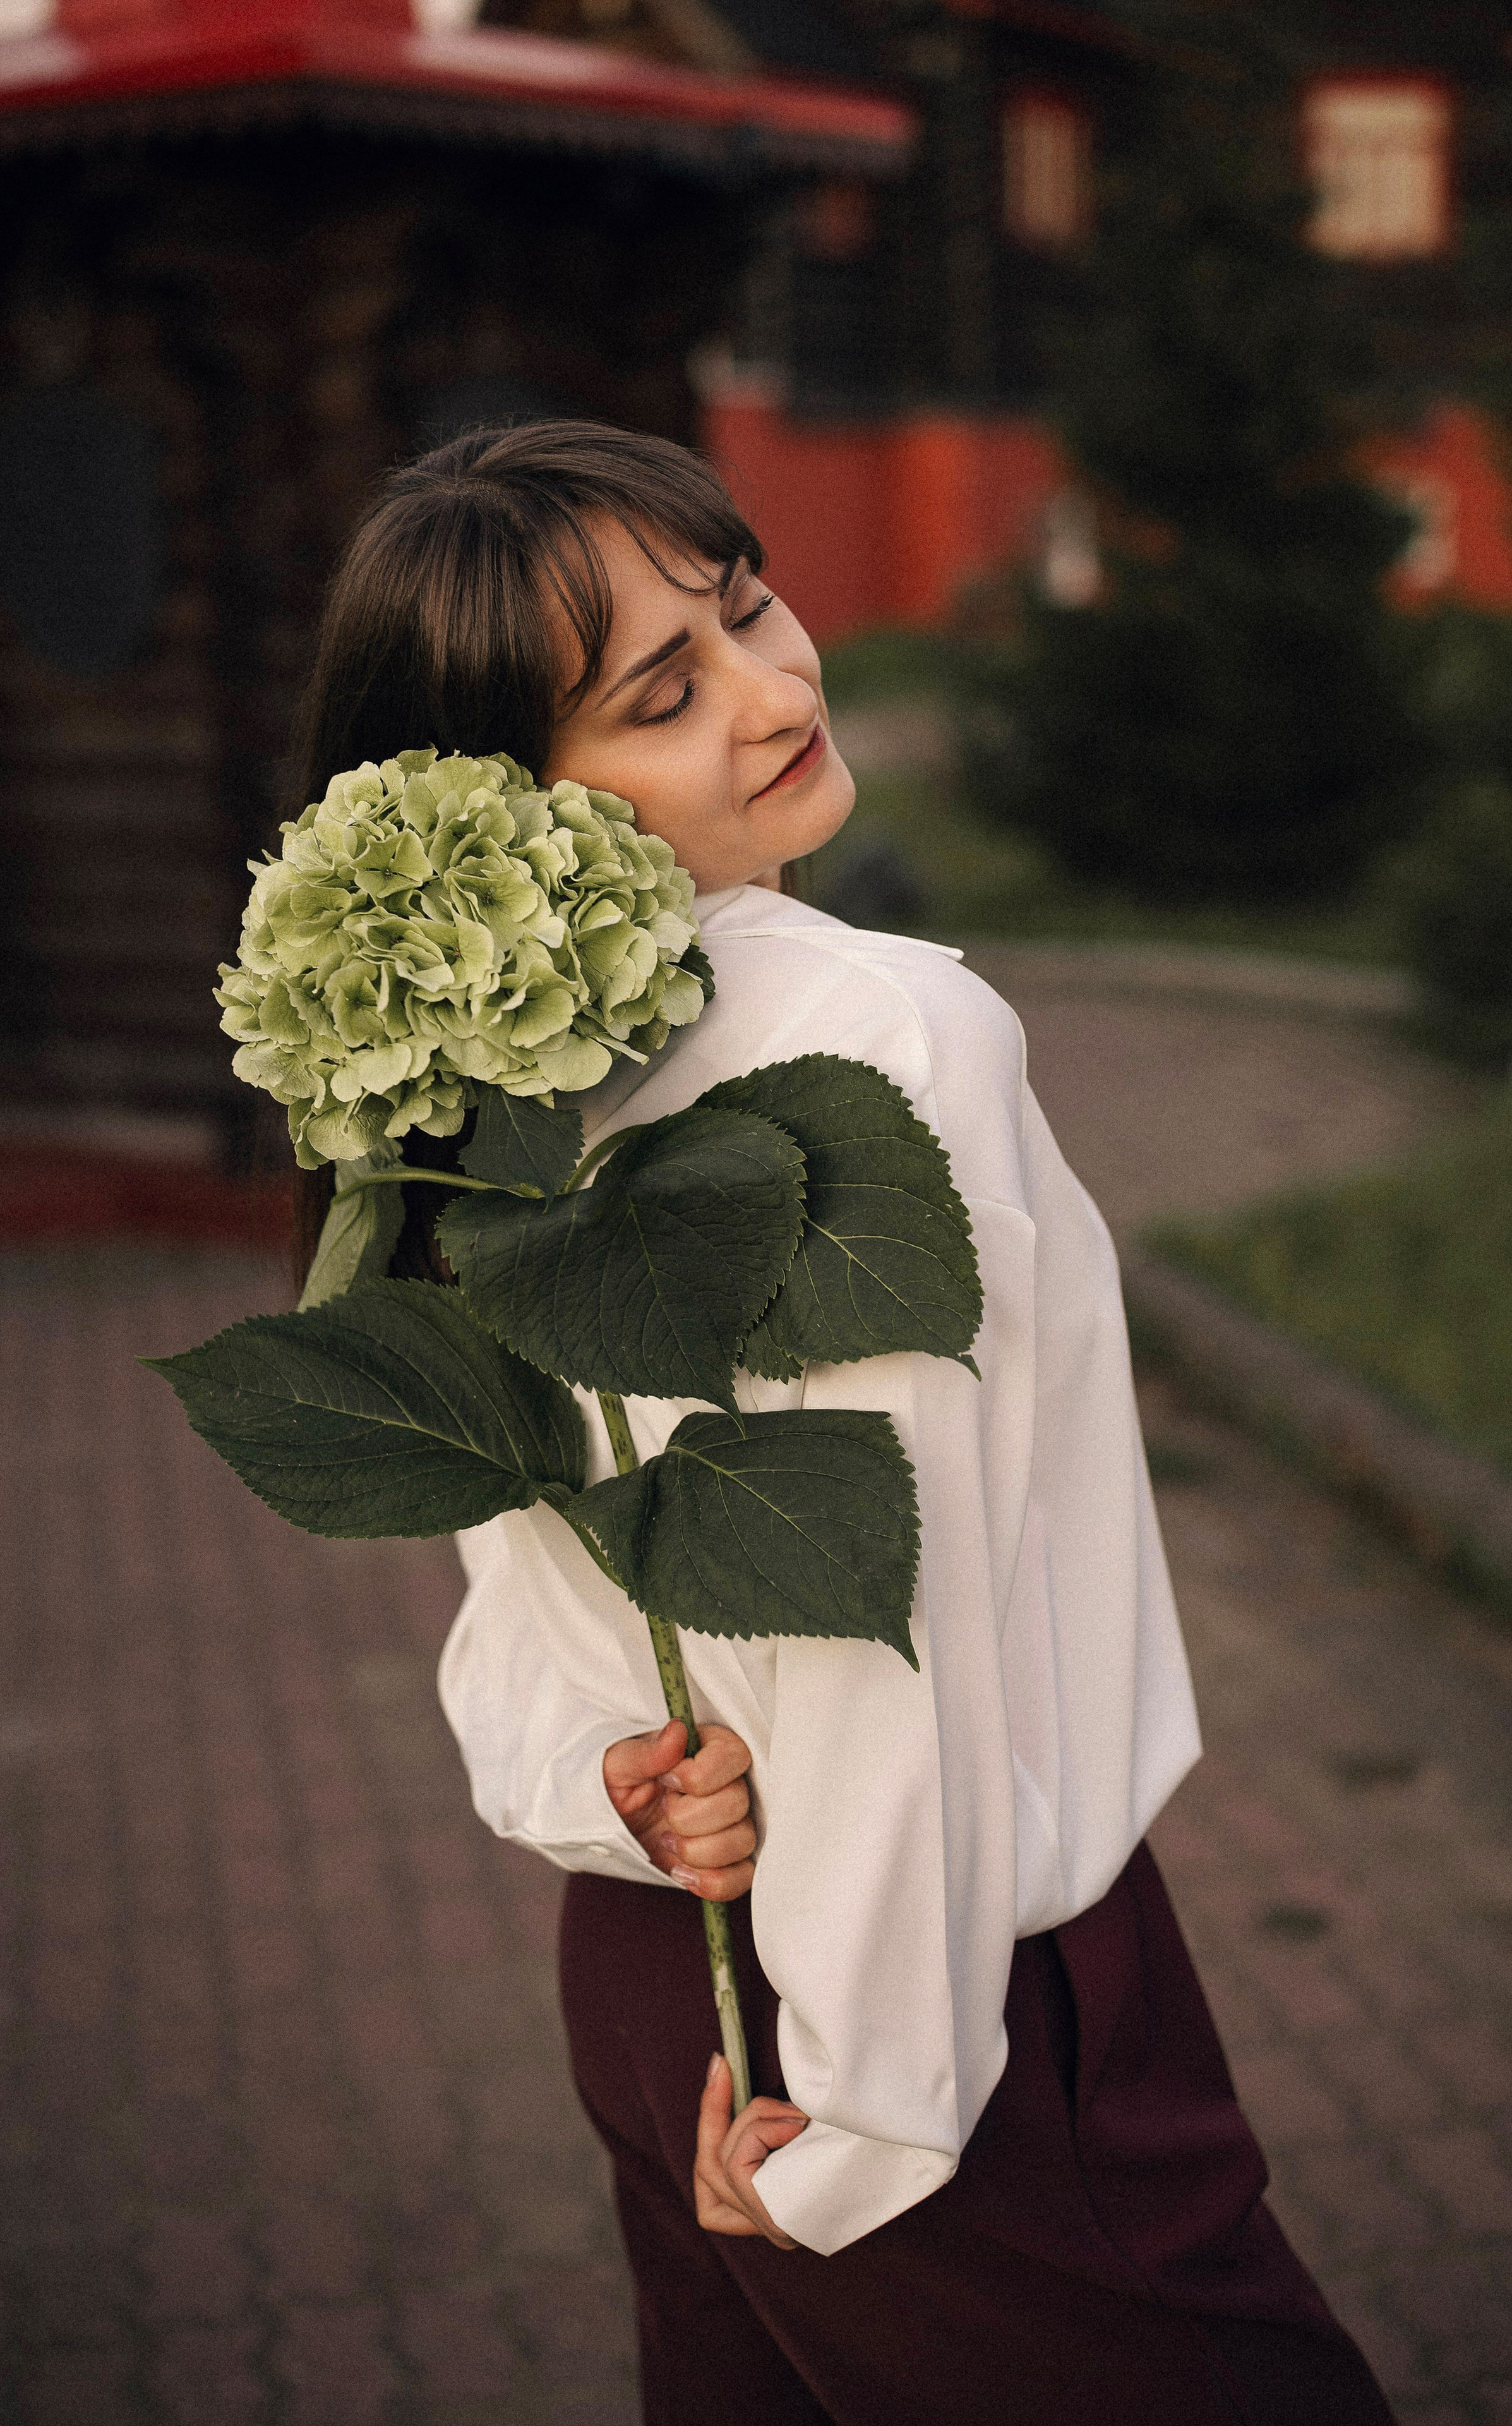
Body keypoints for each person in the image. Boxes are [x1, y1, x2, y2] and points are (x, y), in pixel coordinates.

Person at [288, 421, 1395, 2424]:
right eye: (667, 690)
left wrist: (601, 1780)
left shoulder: (460, 1104)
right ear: (505, 805)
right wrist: (881, 2112)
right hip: (930, 2016)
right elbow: (900, 1629)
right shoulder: (884, 1032)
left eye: (751, 606)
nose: (780, 687)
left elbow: (517, 1595)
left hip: (648, 1985)